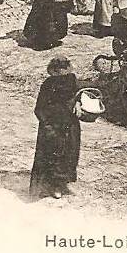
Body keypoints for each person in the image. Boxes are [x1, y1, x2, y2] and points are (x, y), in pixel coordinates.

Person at [29, 56, 81, 201]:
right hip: (53, 123)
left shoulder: (71, 80)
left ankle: (60, 183)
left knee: (69, 153)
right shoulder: (48, 84)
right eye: (59, 73)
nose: (63, 75)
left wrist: (77, 103)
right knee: (52, 154)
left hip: (69, 123)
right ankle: (50, 185)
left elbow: (76, 94)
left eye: (65, 71)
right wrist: (48, 126)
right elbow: (39, 108)